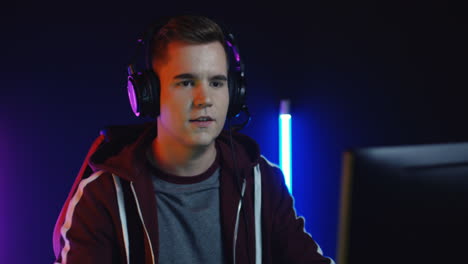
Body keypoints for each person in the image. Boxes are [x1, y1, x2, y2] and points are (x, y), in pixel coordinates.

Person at [52, 15, 335, 264]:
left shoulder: (262, 182)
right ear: (148, 95)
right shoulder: (102, 195)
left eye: (216, 82)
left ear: (234, 93)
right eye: (186, 82)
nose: (205, 100)